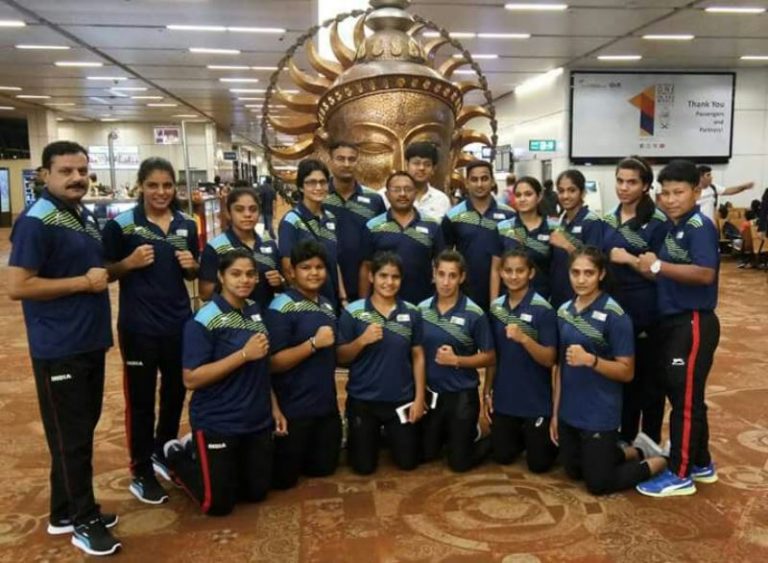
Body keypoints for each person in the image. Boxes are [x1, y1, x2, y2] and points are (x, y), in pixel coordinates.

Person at [8, 141, 121, 556]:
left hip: (88, 340)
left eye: (82, 171)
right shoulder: (36, 221)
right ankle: (84, 520)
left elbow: (96, 270)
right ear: (45, 175)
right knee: (71, 436)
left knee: (77, 431)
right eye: (66, 171)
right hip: (59, 347)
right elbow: (18, 286)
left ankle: (64, 511)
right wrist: (82, 284)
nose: (77, 178)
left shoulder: (80, 214)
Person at [102, 157, 199, 505]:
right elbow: (104, 272)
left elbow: (192, 273)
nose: (161, 192)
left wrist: (192, 266)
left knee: (175, 393)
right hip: (139, 327)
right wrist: (128, 263)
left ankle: (162, 450)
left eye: (167, 185)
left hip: (178, 324)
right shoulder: (122, 226)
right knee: (141, 402)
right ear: (141, 186)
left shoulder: (187, 224)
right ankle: (140, 470)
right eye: (153, 185)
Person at [164, 249, 285, 516]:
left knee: (256, 493)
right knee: (217, 504)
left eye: (250, 274)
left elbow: (261, 367)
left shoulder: (255, 310)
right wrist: (243, 355)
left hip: (256, 420)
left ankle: (203, 453)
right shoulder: (204, 319)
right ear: (221, 276)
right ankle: (176, 456)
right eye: (236, 274)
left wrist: (274, 407)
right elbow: (191, 378)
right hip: (219, 421)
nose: (244, 280)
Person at [636, 160, 721, 497]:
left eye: (679, 192)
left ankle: (680, 473)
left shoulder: (699, 226)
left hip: (693, 321)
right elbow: (666, 272)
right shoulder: (675, 227)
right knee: (685, 395)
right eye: (666, 193)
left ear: (696, 192)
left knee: (684, 399)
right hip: (674, 321)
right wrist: (643, 265)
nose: (670, 200)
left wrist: (657, 265)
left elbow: (705, 273)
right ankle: (701, 462)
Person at [552, 247, 667, 495]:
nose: (581, 280)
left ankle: (663, 459)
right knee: (573, 470)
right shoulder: (563, 311)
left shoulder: (616, 315)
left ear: (601, 274)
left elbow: (627, 372)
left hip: (599, 412)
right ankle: (635, 451)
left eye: (589, 273)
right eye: (575, 273)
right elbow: (560, 367)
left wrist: (591, 360)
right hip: (570, 412)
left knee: (598, 483)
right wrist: (555, 413)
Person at [337, 252, 426, 474]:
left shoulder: (412, 312)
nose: (389, 282)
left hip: (401, 400)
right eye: (383, 276)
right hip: (364, 400)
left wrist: (419, 399)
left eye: (395, 277)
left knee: (408, 462)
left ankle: (387, 433)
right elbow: (341, 357)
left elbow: (418, 355)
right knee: (363, 468)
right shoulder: (354, 312)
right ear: (371, 277)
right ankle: (367, 431)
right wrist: (361, 341)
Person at [603, 156, 669, 445]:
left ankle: (650, 443)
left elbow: (663, 274)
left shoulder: (658, 223)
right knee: (622, 377)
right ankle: (625, 438)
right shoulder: (608, 218)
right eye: (620, 181)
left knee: (650, 384)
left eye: (631, 182)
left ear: (645, 186)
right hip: (615, 311)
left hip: (647, 312)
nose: (624, 187)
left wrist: (629, 259)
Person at [265, 240, 342, 489]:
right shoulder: (280, 307)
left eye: (319, 267)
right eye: (306, 268)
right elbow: (273, 363)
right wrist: (313, 344)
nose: (314, 273)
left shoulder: (327, 305)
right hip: (293, 410)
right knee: (283, 481)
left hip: (325, 407)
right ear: (292, 272)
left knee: (324, 469)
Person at [418, 250, 495, 472]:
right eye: (441, 274)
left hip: (462, 395)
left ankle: (490, 437)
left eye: (452, 275)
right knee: (425, 454)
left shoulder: (474, 313)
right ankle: (451, 433)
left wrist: (456, 360)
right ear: (433, 274)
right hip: (431, 395)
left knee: (459, 463)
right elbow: (415, 353)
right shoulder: (420, 310)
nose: (446, 282)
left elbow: (490, 356)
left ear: (462, 277)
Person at [484, 249, 558, 473]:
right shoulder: (496, 308)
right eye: (508, 271)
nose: (514, 276)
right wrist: (487, 391)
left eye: (520, 271)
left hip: (536, 400)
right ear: (501, 273)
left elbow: (549, 359)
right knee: (502, 456)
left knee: (539, 465)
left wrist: (524, 339)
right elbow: (493, 356)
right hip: (505, 398)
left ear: (530, 273)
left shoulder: (544, 310)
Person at [361, 171, 445, 305]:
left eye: (408, 189)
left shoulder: (432, 225)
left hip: (422, 304)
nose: (402, 194)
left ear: (415, 193)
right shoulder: (373, 226)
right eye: (396, 190)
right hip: (382, 305)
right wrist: (363, 304)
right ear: (387, 195)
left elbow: (442, 265)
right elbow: (366, 267)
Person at [442, 160, 516, 311]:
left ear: (492, 181)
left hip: (504, 291)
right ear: (467, 183)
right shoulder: (453, 216)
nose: (479, 184)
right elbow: (445, 255)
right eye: (474, 179)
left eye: (484, 178)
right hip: (465, 293)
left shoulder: (509, 215)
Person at [278, 159, 347, 310]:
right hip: (306, 305)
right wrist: (307, 304)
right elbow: (288, 269)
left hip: (332, 301)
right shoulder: (291, 221)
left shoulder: (331, 218)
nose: (318, 187)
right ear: (301, 187)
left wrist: (343, 298)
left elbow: (334, 262)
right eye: (311, 182)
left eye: (323, 182)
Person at [199, 187, 284, 308]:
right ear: (228, 213)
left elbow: (282, 283)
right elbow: (205, 294)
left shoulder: (269, 243)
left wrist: (279, 282)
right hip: (232, 316)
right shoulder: (215, 247)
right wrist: (234, 281)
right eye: (239, 209)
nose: (247, 214)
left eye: (253, 209)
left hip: (265, 316)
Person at [323, 141, 386, 302]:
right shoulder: (320, 197)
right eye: (340, 159)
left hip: (365, 286)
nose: (346, 164)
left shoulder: (374, 199)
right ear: (330, 161)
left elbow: (382, 242)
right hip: (324, 284)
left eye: (351, 159)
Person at [490, 176, 557, 302]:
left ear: (539, 196)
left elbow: (557, 271)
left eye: (528, 194)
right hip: (509, 303)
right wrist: (494, 304)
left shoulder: (553, 228)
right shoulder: (503, 228)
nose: (522, 199)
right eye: (518, 195)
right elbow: (495, 269)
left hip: (542, 301)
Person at [549, 169, 604, 308]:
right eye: (561, 191)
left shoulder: (591, 222)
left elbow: (594, 263)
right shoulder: (560, 222)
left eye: (571, 190)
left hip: (582, 297)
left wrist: (567, 245)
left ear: (582, 192)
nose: (565, 196)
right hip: (559, 295)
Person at [378, 142, 452, 220]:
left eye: (427, 164)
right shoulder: (385, 196)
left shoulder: (441, 200)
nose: (421, 168)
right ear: (407, 165)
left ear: (433, 169)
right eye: (416, 163)